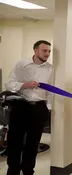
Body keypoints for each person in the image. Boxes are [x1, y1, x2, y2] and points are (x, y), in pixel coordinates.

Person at [5, 40, 54, 175]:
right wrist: (24, 85)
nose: (47, 54)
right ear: (35, 50)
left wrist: (48, 108)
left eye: (49, 51)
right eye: (44, 51)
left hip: (39, 108)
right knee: (15, 141)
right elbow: (9, 84)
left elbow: (50, 91)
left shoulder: (50, 69)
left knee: (33, 142)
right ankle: (13, 170)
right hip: (21, 107)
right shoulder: (22, 65)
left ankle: (28, 170)